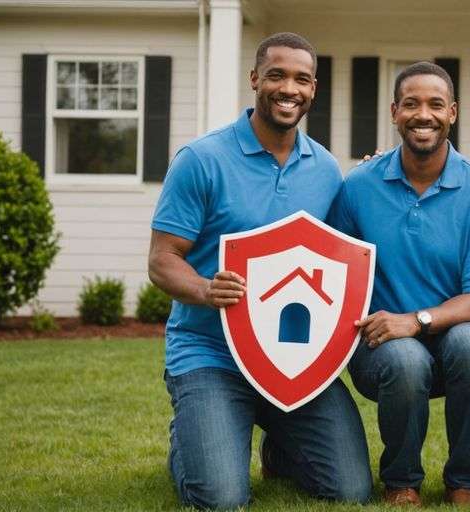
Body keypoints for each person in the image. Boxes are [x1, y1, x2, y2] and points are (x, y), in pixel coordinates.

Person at [147, 32, 372, 509]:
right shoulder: (202, 160)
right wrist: (207, 289)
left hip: (289, 359)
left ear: (314, 89)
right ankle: (192, 439)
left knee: (350, 488)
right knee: (223, 499)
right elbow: (162, 259)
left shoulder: (326, 170)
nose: (289, 88)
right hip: (210, 353)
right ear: (255, 79)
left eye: (302, 79)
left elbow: (334, 259)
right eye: (277, 75)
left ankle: (279, 441)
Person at [327, 61, 470, 507]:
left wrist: (416, 320)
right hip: (379, 350)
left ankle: (462, 480)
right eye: (411, 104)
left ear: (453, 113)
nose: (422, 114)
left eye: (435, 104)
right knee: (406, 359)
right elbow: (333, 269)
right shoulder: (358, 187)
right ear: (394, 112)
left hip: (453, 347)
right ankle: (401, 480)